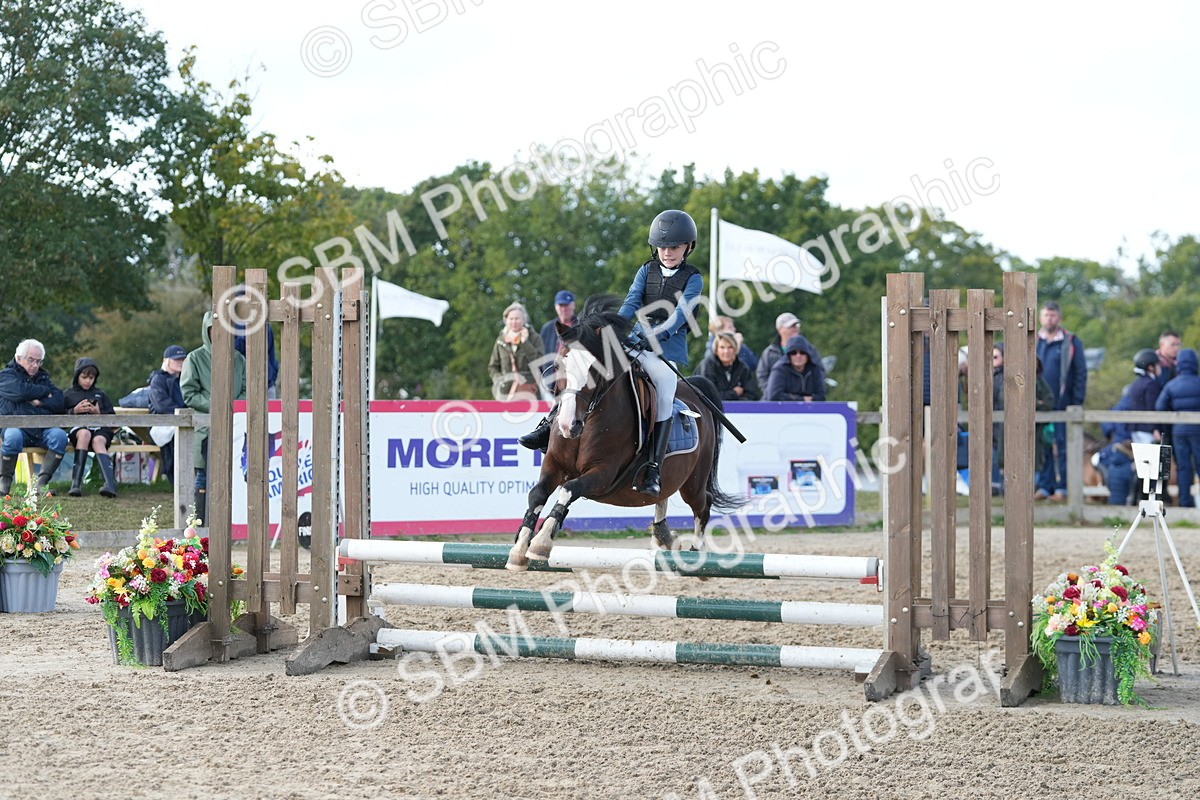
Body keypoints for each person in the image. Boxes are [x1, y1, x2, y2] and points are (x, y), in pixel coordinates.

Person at [615, 209, 704, 496]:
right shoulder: (646, 270)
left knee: (665, 393)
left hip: (668, 350)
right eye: (663, 247)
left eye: (674, 247)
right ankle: (550, 428)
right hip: (637, 340)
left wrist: (657, 334)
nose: (667, 252)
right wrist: (613, 326)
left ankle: (653, 467)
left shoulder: (693, 279)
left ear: (687, 247)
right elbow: (630, 303)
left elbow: (680, 315)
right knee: (595, 369)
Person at [182, 311, 247, 525]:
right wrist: (217, 405)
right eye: (214, 329)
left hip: (235, 428)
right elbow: (189, 392)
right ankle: (201, 527)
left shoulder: (239, 359)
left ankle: (231, 525)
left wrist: (234, 406)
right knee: (203, 477)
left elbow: (247, 389)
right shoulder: (194, 358)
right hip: (206, 430)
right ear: (206, 331)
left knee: (234, 477)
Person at [1034, 301, 1087, 501]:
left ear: (1059, 318)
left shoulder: (1071, 342)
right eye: (1046, 315)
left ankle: (1063, 488)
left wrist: (1076, 402)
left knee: (1064, 447)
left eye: (1053, 315)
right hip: (1040, 406)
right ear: (1041, 318)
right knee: (1043, 447)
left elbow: (1080, 373)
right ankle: (1045, 487)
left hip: (1063, 405)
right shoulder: (1033, 341)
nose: (1049, 319)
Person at [0, 339, 67, 496]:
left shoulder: (43, 377)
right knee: (13, 436)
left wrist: (37, 402)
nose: (35, 365)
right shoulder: (5, 376)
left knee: (60, 436)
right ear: (18, 358)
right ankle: (4, 484)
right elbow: (20, 392)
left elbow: (59, 402)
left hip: (41, 430)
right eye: (31, 360)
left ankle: (41, 484)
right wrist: (44, 392)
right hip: (16, 429)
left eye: (38, 361)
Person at [62, 357, 118, 497]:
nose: (88, 381)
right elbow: (60, 417)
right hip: (79, 430)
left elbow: (113, 418)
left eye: (91, 378)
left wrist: (99, 413)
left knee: (98, 440)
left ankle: (110, 485)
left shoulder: (101, 394)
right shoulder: (68, 394)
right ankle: (76, 484)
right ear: (77, 376)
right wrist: (74, 411)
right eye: (84, 377)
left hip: (101, 430)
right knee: (84, 434)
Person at [1155, 348, 1200, 507]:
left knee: (1183, 467)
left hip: (1179, 431)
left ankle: (1185, 501)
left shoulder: (1171, 385)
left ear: (1179, 364)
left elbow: (1159, 406)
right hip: (1198, 431)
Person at [148, 345, 188, 486]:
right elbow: (161, 405)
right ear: (166, 360)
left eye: (183, 359)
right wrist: (183, 413)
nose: (180, 362)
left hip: (186, 421)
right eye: (176, 359)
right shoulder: (158, 379)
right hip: (163, 425)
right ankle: (175, 483)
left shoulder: (187, 379)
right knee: (173, 440)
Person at [488, 302, 544, 401]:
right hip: (505, 393)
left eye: (517, 318)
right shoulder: (500, 341)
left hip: (530, 392)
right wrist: (499, 380)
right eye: (511, 319)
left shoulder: (535, 338)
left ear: (524, 320)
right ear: (506, 320)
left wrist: (525, 343)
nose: (514, 322)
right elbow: (493, 367)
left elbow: (540, 363)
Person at [232, 286, 280, 399]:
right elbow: (235, 349)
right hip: (241, 387)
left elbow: (269, 350)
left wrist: (272, 375)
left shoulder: (265, 325)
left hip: (266, 384)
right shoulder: (232, 326)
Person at [695, 332, 761, 401]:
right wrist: (734, 393)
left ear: (735, 350)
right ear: (716, 350)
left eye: (730, 347)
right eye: (722, 347)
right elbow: (708, 396)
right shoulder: (707, 366)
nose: (726, 351)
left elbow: (752, 394)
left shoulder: (742, 367)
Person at [537, 290, 577, 394]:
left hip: (576, 381)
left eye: (566, 305)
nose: (564, 309)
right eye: (561, 305)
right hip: (551, 383)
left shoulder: (581, 327)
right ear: (555, 306)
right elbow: (540, 355)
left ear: (573, 305)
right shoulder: (547, 328)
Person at [765, 334, 826, 402]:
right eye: (794, 353)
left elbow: (821, 396)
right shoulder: (779, 369)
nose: (798, 356)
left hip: (808, 410)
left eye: (802, 352)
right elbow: (774, 396)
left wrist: (810, 400)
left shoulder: (815, 368)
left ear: (808, 355)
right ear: (788, 355)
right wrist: (801, 400)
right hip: (781, 410)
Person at [757, 312, 802, 389]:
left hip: (801, 399)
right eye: (791, 326)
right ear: (780, 329)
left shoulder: (808, 350)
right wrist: (773, 393)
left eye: (796, 325)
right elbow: (762, 377)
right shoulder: (769, 353)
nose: (795, 329)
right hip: (775, 398)